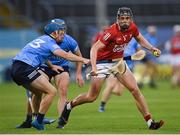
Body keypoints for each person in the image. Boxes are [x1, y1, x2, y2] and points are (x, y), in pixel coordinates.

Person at [58, 7, 164, 130]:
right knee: (91, 97)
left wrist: (152, 48)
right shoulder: (111, 32)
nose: (125, 21)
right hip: (101, 63)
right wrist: (94, 67)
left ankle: (150, 122)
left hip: (118, 63)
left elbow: (140, 39)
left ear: (131, 19)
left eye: (127, 18)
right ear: (118, 19)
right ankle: (69, 106)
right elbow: (94, 48)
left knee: (135, 90)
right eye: (122, 18)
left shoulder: (133, 27)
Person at [11, 18, 89, 130]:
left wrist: (52, 66)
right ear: (54, 32)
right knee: (51, 91)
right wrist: (84, 60)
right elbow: (66, 55)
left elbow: (42, 54)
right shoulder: (50, 42)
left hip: (17, 67)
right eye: (60, 32)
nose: (63, 34)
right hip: (25, 68)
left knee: (37, 92)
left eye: (63, 32)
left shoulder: (43, 39)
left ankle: (38, 119)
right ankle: (37, 121)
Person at [99, 38, 142, 112]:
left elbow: (139, 52)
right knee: (111, 85)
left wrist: (137, 56)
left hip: (127, 68)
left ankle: (107, 92)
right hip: (115, 64)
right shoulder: (118, 37)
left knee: (119, 92)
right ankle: (102, 106)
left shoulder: (135, 40)